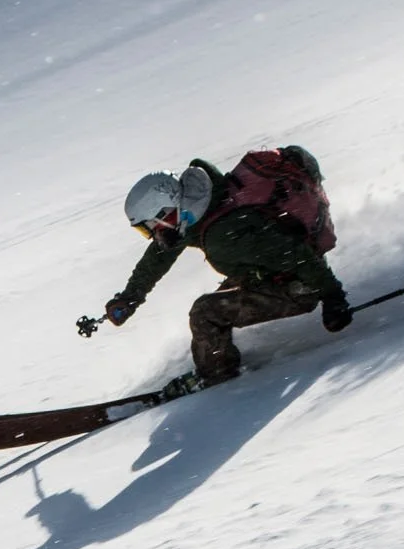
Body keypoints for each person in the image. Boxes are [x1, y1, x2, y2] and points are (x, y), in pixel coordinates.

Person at [95, 148, 353, 397]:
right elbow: (158, 256)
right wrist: (131, 297)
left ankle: (216, 377)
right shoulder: (200, 206)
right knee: (219, 302)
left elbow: (293, 253)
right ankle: (213, 361)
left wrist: (333, 297)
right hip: (272, 273)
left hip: (298, 286)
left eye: (149, 227)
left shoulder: (224, 233)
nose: (153, 235)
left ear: (166, 213)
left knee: (205, 313)